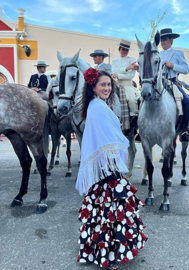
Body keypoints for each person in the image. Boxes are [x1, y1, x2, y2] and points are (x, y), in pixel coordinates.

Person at [76, 68, 147, 269]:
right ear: (93, 87)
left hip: (107, 164)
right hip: (108, 166)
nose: (106, 88)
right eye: (102, 85)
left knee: (107, 212)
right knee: (109, 212)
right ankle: (109, 255)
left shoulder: (98, 104)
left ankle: (107, 251)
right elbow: (107, 138)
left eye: (108, 84)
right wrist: (120, 146)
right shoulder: (97, 107)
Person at [159, 28, 189, 142]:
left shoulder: (178, 53)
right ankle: (141, 129)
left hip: (172, 82)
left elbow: (186, 69)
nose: (162, 42)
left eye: (165, 40)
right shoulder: (157, 54)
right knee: (142, 99)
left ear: (171, 40)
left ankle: (184, 130)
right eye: (161, 40)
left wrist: (173, 65)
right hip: (159, 83)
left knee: (186, 101)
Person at [112, 39, 139, 118]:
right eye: (123, 49)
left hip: (126, 84)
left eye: (127, 50)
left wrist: (119, 75)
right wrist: (126, 68)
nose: (125, 51)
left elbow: (131, 75)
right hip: (115, 83)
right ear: (119, 49)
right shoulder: (114, 61)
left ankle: (133, 116)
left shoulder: (132, 59)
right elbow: (113, 71)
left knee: (131, 100)